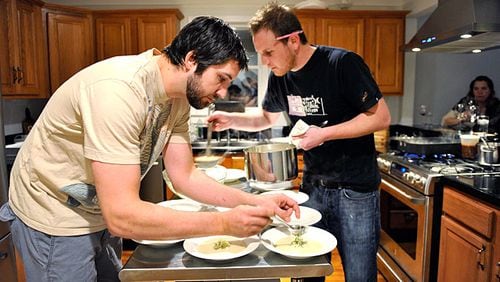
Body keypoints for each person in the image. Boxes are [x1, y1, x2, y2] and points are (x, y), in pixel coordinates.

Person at [0, 16, 300, 282]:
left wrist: (254, 202)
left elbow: (185, 177)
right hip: (55, 214)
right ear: (191, 59)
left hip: (98, 211)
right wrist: (222, 223)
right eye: (220, 79)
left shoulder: (178, 99)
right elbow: (122, 216)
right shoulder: (117, 91)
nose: (222, 92)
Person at [207, 3, 391, 281]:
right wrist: (233, 120)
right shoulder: (282, 76)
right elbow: (266, 118)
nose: (266, 61)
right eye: (262, 55)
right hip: (312, 189)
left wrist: (324, 134)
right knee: (305, 271)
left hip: (355, 191)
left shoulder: (341, 64)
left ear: (293, 40)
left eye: (269, 52)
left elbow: (380, 117)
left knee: (359, 275)